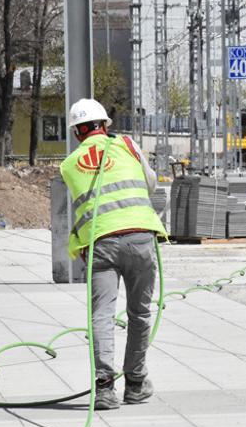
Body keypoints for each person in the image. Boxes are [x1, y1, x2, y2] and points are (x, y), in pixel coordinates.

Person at [59, 99, 166, 411]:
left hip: (100, 243)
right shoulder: (128, 144)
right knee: (140, 313)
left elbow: (80, 205)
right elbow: (150, 183)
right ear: (104, 125)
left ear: (77, 133)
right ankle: (135, 383)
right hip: (139, 237)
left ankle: (105, 389)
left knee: (102, 315)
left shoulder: (69, 164)